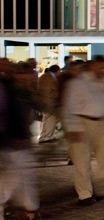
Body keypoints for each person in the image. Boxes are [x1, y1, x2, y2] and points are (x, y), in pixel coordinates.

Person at [62, 56, 104, 205]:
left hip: (102, 123)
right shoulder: (77, 83)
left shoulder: (102, 82)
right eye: (101, 67)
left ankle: (100, 188)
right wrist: (73, 128)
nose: (103, 71)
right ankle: (84, 194)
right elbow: (69, 107)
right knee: (82, 161)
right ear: (92, 67)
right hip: (83, 122)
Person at [0, 59, 40, 220]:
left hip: (15, 138)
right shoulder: (9, 88)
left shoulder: (14, 88)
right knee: (14, 176)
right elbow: (8, 114)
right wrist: (17, 135)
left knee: (20, 175)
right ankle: (27, 207)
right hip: (10, 139)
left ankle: (28, 207)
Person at [36, 64, 61, 144]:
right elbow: (52, 90)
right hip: (49, 101)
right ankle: (46, 136)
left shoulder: (44, 76)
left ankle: (47, 136)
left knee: (48, 119)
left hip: (44, 101)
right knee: (50, 119)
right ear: (57, 71)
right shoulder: (51, 78)